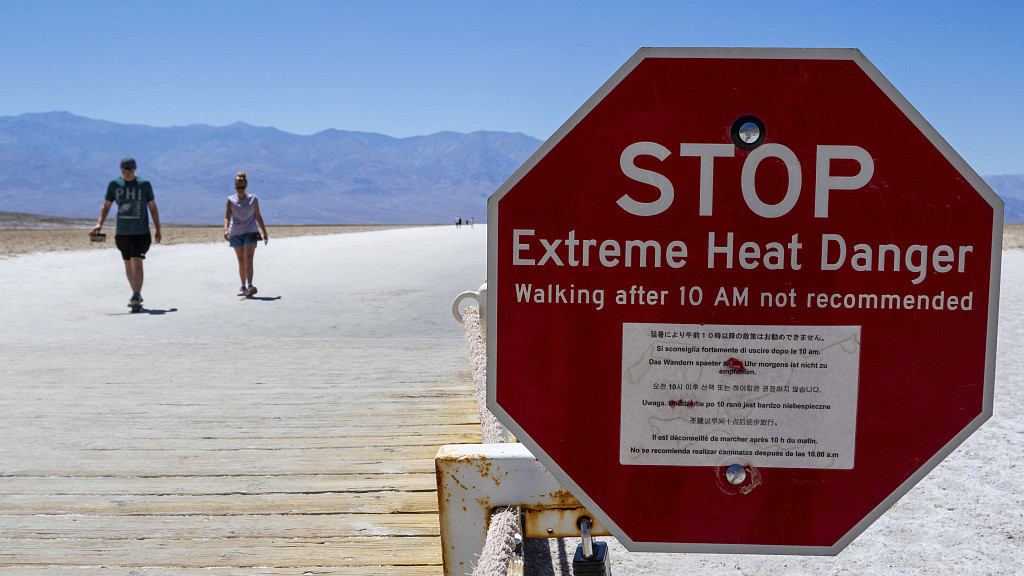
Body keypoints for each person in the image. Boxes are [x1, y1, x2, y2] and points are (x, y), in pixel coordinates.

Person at [90, 156, 161, 310]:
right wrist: (99, 224)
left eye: (130, 170)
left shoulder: (144, 185)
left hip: (140, 231)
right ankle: (135, 293)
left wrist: (158, 229)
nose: (127, 173)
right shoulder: (114, 184)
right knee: (128, 262)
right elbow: (106, 206)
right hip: (122, 232)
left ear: (135, 169)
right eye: (124, 170)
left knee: (136, 261)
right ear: (120, 169)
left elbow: (153, 207)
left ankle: (136, 295)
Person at [224, 171, 268, 297]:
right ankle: (243, 286)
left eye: (242, 187)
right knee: (241, 260)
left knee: (248, 258)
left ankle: (250, 285)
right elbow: (227, 217)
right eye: (237, 187)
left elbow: (258, 216)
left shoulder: (253, 199)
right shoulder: (230, 200)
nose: (240, 189)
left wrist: (264, 232)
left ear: (246, 186)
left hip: (250, 231)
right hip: (236, 233)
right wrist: (225, 230)